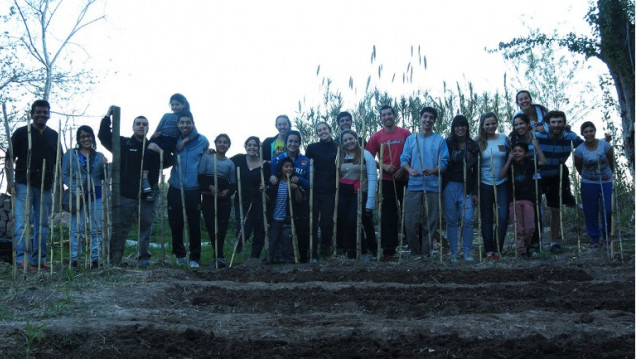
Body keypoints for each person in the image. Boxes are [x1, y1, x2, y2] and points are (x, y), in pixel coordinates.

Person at [98, 109, 159, 267]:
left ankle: (143, 257)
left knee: (145, 225)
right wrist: (107, 116)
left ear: (148, 128)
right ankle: (115, 259)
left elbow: (168, 160)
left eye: (144, 124)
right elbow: (103, 136)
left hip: (147, 195)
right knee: (121, 226)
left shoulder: (152, 147)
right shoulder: (124, 144)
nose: (141, 126)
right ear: (132, 127)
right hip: (126, 194)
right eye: (138, 124)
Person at [8, 100, 59, 269]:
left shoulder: (53, 135)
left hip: (45, 187)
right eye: (38, 112)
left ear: (49, 114)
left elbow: (59, 161)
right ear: (32, 113)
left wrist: (59, 187)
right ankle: (21, 257)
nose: (42, 115)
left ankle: (39, 258)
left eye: (45, 112)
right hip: (24, 184)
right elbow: (9, 159)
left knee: (42, 224)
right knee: (22, 222)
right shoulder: (22, 133)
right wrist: (10, 182)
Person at [400, 106, 449, 258]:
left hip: (432, 187)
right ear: (420, 118)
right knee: (410, 221)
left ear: (434, 120)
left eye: (431, 118)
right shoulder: (411, 139)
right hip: (414, 186)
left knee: (431, 221)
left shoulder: (439, 140)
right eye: (425, 116)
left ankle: (426, 252)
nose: (428, 120)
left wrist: (433, 170)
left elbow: (444, 163)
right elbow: (404, 160)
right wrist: (410, 170)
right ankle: (415, 253)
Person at [365, 105, 411, 260]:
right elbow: (368, 158)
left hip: (405, 178)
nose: (387, 117)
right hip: (386, 179)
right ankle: (388, 250)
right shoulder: (376, 137)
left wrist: (404, 170)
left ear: (394, 115)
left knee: (409, 212)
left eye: (389, 114)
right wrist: (383, 166)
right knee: (388, 215)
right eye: (383, 115)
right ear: (380, 118)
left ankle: (413, 245)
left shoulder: (405, 133)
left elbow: (413, 153)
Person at [535, 110, 583, 253]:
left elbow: (586, 146)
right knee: (536, 210)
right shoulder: (538, 135)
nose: (556, 125)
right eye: (553, 122)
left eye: (559, 122)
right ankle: (535, 243)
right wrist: (537, 127)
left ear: (564, 123)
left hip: (557, 175)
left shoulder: (571, 137)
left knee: (555, 210)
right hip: (537, 175)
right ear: (548, 123)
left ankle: (553, 243)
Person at [166, 111, 209, 268]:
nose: (185, 125)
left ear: (193, 124)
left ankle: (194, 257)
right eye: (182, 122)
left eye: (188, 122)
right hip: (176, 186)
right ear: (178, 124)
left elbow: (206, 158)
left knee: (194, 223)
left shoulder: (202, 140)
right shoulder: (172, 141)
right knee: (175, 222)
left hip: (194, 188)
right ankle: (179, 254)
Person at [62, 126, 106, 268]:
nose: (86, 139)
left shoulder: (99, 156)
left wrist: (106, 166)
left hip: (96, 194)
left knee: (96, 228)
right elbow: (64, 174)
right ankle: (75, 259)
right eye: (83, 136)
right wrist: (75, 190)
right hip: (78, 196)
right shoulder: (71, 154)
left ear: (92, 137)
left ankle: (95, 259)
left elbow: (104, 177)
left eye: (88, 136)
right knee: (77, 228)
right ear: (78, 139)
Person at [144, 93, 199, 199]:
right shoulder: (166, 115)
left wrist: (182, 142)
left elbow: (194, 132)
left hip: (171, 141)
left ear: (183, 105)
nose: (174, 107)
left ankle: (154, 185)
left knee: (156, 156)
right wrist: (153, 136)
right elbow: (159, 128)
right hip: (160, 138)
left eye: (177, 105)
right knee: (149, 153)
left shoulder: (186, 116)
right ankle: (146, 180)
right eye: (172, 105)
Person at [270, 130, 311, 262]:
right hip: (281, 202)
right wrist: (271, 179)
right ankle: (277, 258)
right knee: (279, 232)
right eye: (290, 141)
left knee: (301, 232)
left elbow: (310, 183)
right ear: (286, 142)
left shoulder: (306, 161)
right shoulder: (277, 159)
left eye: (296, 141)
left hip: (299, 202)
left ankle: (303, 259)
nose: (293, 144)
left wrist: (298, 180)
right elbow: (272, 177)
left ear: (299, 143)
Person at [443, 115, 479, 262]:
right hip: (449, 185)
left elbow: (476, 170)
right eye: (457, 126)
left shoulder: (473, 146)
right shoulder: (447, 143)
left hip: (467, 187)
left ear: (467, 127)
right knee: (451, 221)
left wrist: (475, 192)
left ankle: (467, 252)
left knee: (468, 219)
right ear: (453, 128)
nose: (460, 128)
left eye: (463, 125)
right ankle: (454, 252)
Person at [499, 142, 546, 256]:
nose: (517, 153)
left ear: (525, 153)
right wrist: (509, 159)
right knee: (518, 228)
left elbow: (543, 162)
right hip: (514, 200)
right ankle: (522, 250)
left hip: (528, 200)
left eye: (520, 151)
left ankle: (528, 245)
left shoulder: (530, 164)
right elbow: (501, 175)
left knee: (530, 227)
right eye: (515, 151)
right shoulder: (510, 164)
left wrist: (537, 147)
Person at [337, 130, 378, 259]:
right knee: (346, 222)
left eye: (351, 138)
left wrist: (370, 202)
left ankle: (365, 251)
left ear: (356, 138)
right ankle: (351, 252)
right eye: (345, 140)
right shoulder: (340, 156)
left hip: (360, 194)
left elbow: (372, 178)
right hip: (344, 195)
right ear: (342, 143)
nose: (349, 142)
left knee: (356, 221)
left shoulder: (366, 155)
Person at [574, 121, 614, 249]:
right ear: (582, 134)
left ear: (595, 131)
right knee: (590, 211)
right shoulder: (579, 150)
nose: (589, 134)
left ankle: (606, 235)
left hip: (606, 181)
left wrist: (609, 175)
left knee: (608, 209)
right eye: (586, 132)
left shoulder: (605, 145)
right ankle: (594, 238)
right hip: (588, 183)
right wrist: (586, 176)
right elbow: (578, 166)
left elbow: (611, 161)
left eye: (591, 131)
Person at [476, 112, 510, 260]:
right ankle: (489, 250)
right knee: (487, 218)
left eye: (493, 123)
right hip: (485, 183)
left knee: (503, 216)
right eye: (487, 124)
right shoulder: (477, 141)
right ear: (482, 125)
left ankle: (498, 248)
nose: (490, 126)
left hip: (502, 183)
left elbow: (512, 155)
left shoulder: (503, 138)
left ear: (497, 123)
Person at [199, 134, 236, 268]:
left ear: (228, 145)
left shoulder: (230, 163)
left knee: (222, 228)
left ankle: (219, 257)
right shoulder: (207, 157)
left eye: (225, 142)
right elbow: (201, 177)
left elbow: (232, 183)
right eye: (219, 142)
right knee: (211, 227)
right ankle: (218, 256)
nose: (222, 144)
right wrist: (210, 187)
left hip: (223, 199)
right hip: (208, 198)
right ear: (215, 143)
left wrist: (228, 191)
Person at [231, 136, 267, 260]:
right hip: (241, 199)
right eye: (249, 145)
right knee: (244, 230)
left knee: (259, 228)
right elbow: (223, 161)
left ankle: (254, 257)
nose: (252, 147)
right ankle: (240, 243)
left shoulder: (264, 164)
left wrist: (264, 187)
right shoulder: (238, 159)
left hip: (258, 200)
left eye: (255, 145)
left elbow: (268, 182)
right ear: (245, 147)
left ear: (258, 148)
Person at [305, 122, 338, 258]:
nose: (322, 131)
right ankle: (312, 250)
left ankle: (325, 248)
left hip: (330, 190)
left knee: (326, 221)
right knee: (312, 221)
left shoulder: (337, 147)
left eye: (324, 129)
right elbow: (306, 167)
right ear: (317, 133)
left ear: (330, 130)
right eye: (319, 130)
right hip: (315, 190)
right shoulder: (312, 148)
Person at [264, 157, 302, 263]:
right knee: (272, 242)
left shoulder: (294, 184)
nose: (289, 169)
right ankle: (270, 261)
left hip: (288, 219)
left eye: (291, 167)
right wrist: (263, 192)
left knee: (287, 244)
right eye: (286, 166)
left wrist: (297, 189)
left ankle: (287, 263)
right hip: (274, 219)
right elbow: (268, 200)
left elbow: (299, 200)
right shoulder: (275, 183)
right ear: (281, 168)